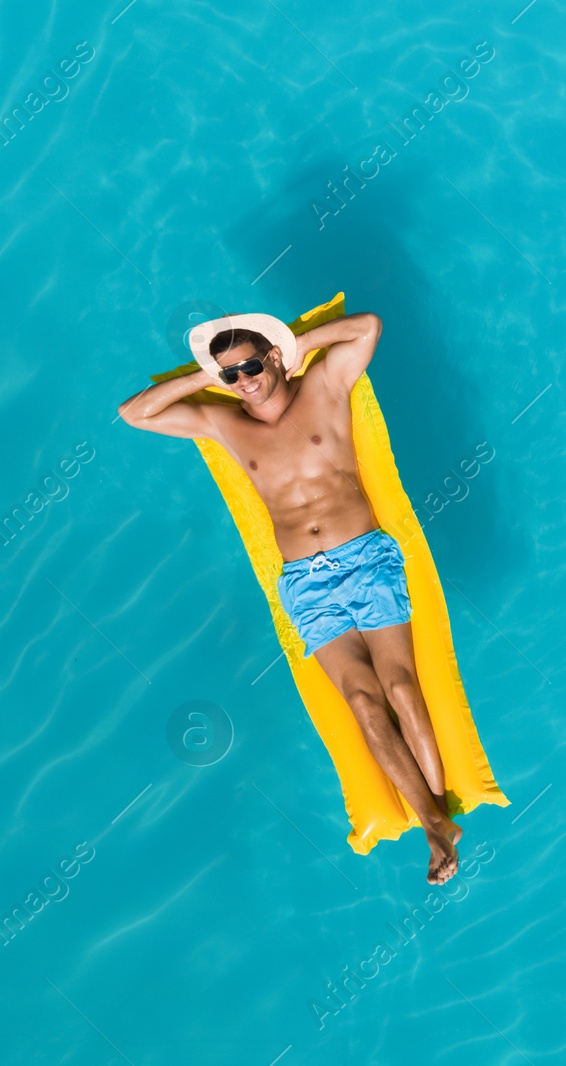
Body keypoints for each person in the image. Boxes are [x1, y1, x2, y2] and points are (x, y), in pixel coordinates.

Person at [118, 311, 461, 883]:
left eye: (252, 364)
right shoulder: (223, 422)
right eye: (232, 374)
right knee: (362, 702)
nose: (245, 379)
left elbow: (369, 327)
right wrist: (210, 377)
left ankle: (437, 818)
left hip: (364, 559)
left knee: (400, 687)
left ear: (274, 357)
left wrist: (294, 345)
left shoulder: (324, 388)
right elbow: (134, 413)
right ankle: (434, 824)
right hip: (305, 583)